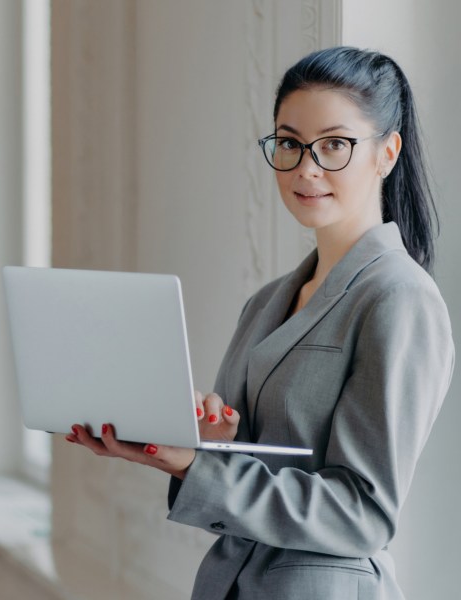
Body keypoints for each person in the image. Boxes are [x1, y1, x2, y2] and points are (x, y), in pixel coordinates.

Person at [65, 46, 455, 600]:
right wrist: (217, 441)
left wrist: (196, 465)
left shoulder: (399, 298)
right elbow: (251, 475)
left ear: (386, 153)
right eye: (291, 143)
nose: (306, 168)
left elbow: (361, 515)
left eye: (335, 145)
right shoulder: (268, 302)